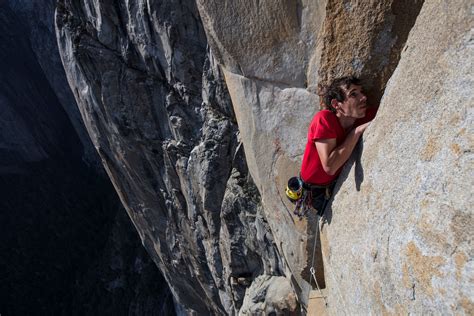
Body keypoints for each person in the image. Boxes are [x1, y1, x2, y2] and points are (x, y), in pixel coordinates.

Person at [300, 76, 378, 216]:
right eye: (354, 94)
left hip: (333, 183)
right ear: (336, 104)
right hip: (314, 192)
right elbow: (330, 166)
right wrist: (356, 132)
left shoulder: (365, 116)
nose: (364, 97)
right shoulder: (324, 119)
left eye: (362, 92)